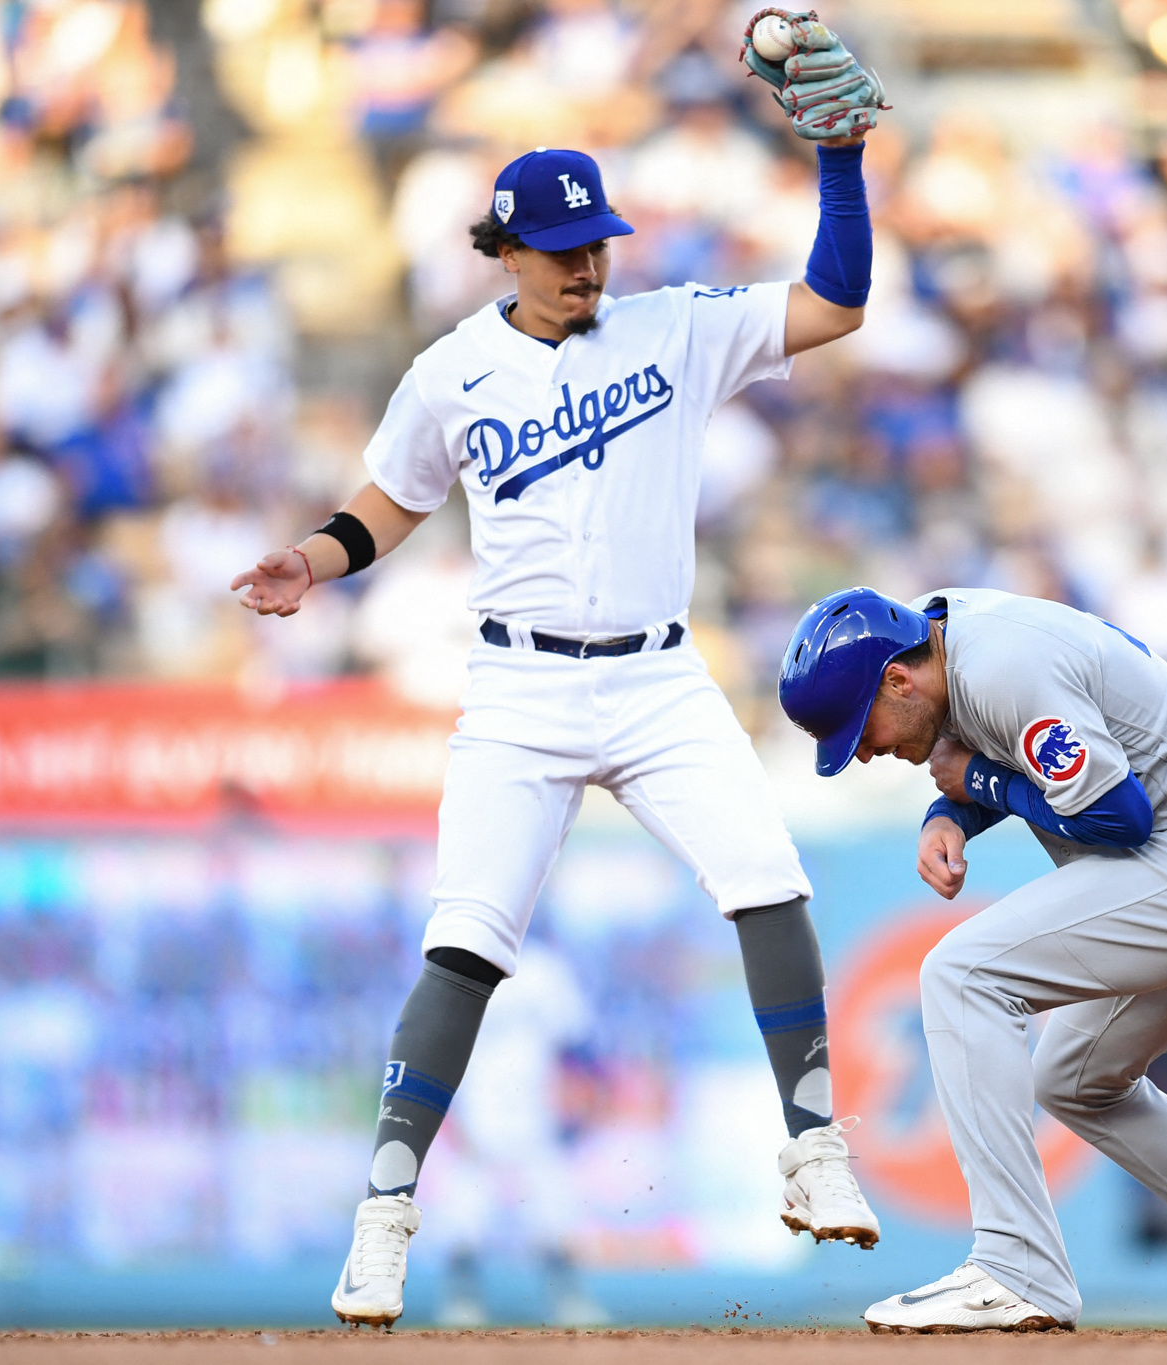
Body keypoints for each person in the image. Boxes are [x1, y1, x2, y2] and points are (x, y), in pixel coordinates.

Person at [230, 11, 888, 1329]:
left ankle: (814, 1144)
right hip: (520, 691)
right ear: (507, 248)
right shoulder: (451, 370)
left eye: (600, 241)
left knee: (770, 881)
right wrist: (315, 557)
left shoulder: (674, 329)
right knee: (464, 943)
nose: (590, 262)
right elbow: (388, 500)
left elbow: (835, 302)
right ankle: (387, 1215)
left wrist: (838, 167)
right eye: (565, 245)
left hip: (658, 678)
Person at [775, 585, 1167, 1333]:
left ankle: (1015, 1267)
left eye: (863, 726)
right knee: (1076, 1078)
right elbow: (1013, 751)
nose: (863, 749)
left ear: (899, 679)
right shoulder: (951, 645)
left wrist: (977, 784)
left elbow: (1119, 817)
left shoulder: (1001, 663)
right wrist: (951, 810)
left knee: (962, 973)